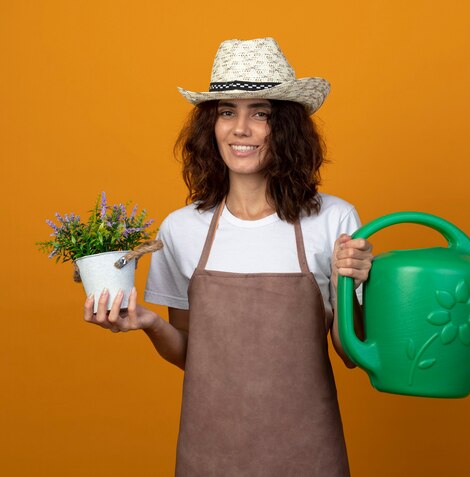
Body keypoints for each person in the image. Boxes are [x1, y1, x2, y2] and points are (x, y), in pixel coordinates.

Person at [83, 37, 373, 477]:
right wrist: (150, 324)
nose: (240, 128)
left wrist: (347, 283)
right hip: (209, 454)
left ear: (288, 128)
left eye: (261, 113)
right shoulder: (181, 229)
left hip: (307, 454)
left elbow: (350, 354)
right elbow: (191, 354)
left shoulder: (333, 220)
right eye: (226, 112)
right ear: (210, 127)